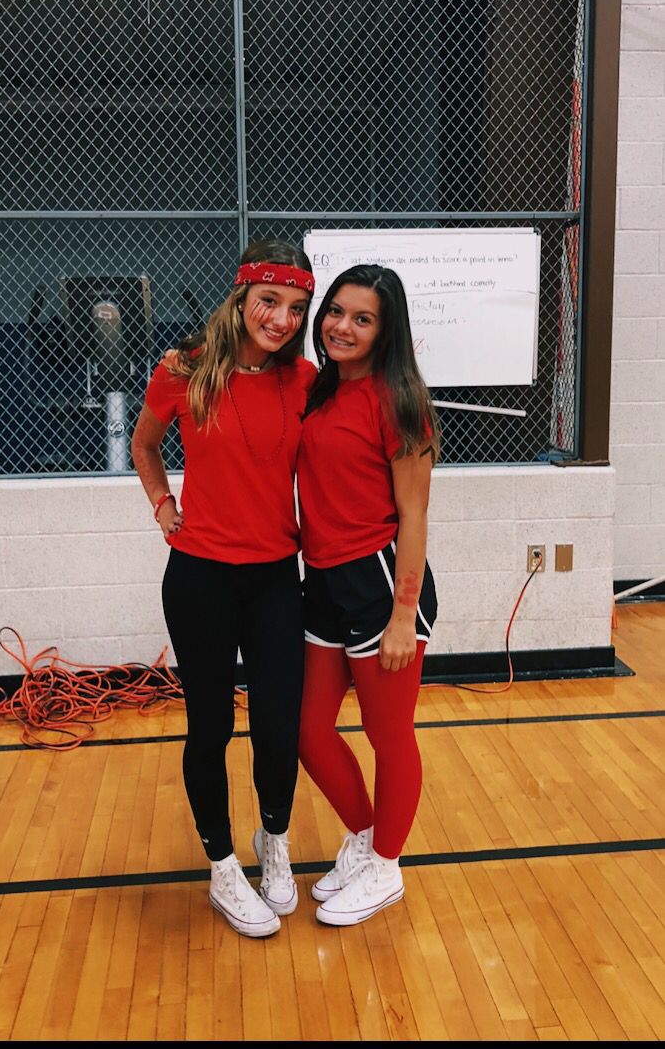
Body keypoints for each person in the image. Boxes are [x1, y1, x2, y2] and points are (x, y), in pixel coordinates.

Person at [131, 240, 317, 937]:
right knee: (210, 724)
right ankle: (220, 865)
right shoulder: (183, 369)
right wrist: (161, 504)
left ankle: (274, 841)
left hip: (275, 576)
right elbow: (144, 443)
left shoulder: (302, 379)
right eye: (270, 301)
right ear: (240, 297)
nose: (281, 318)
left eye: (296, 307)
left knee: (278, 723)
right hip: (201, 576)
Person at [296, 264, 439, 926]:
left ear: (385, 331)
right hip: (321, 579)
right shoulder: (316, 390)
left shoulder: (399, 400)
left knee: (388, 735)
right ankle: (363, 835)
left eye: (362, 318)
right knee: (307, 728)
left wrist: (402, 616)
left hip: (381, 583)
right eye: (335, 311)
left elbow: (414, 514)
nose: (341, 326)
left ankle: (386, 865)